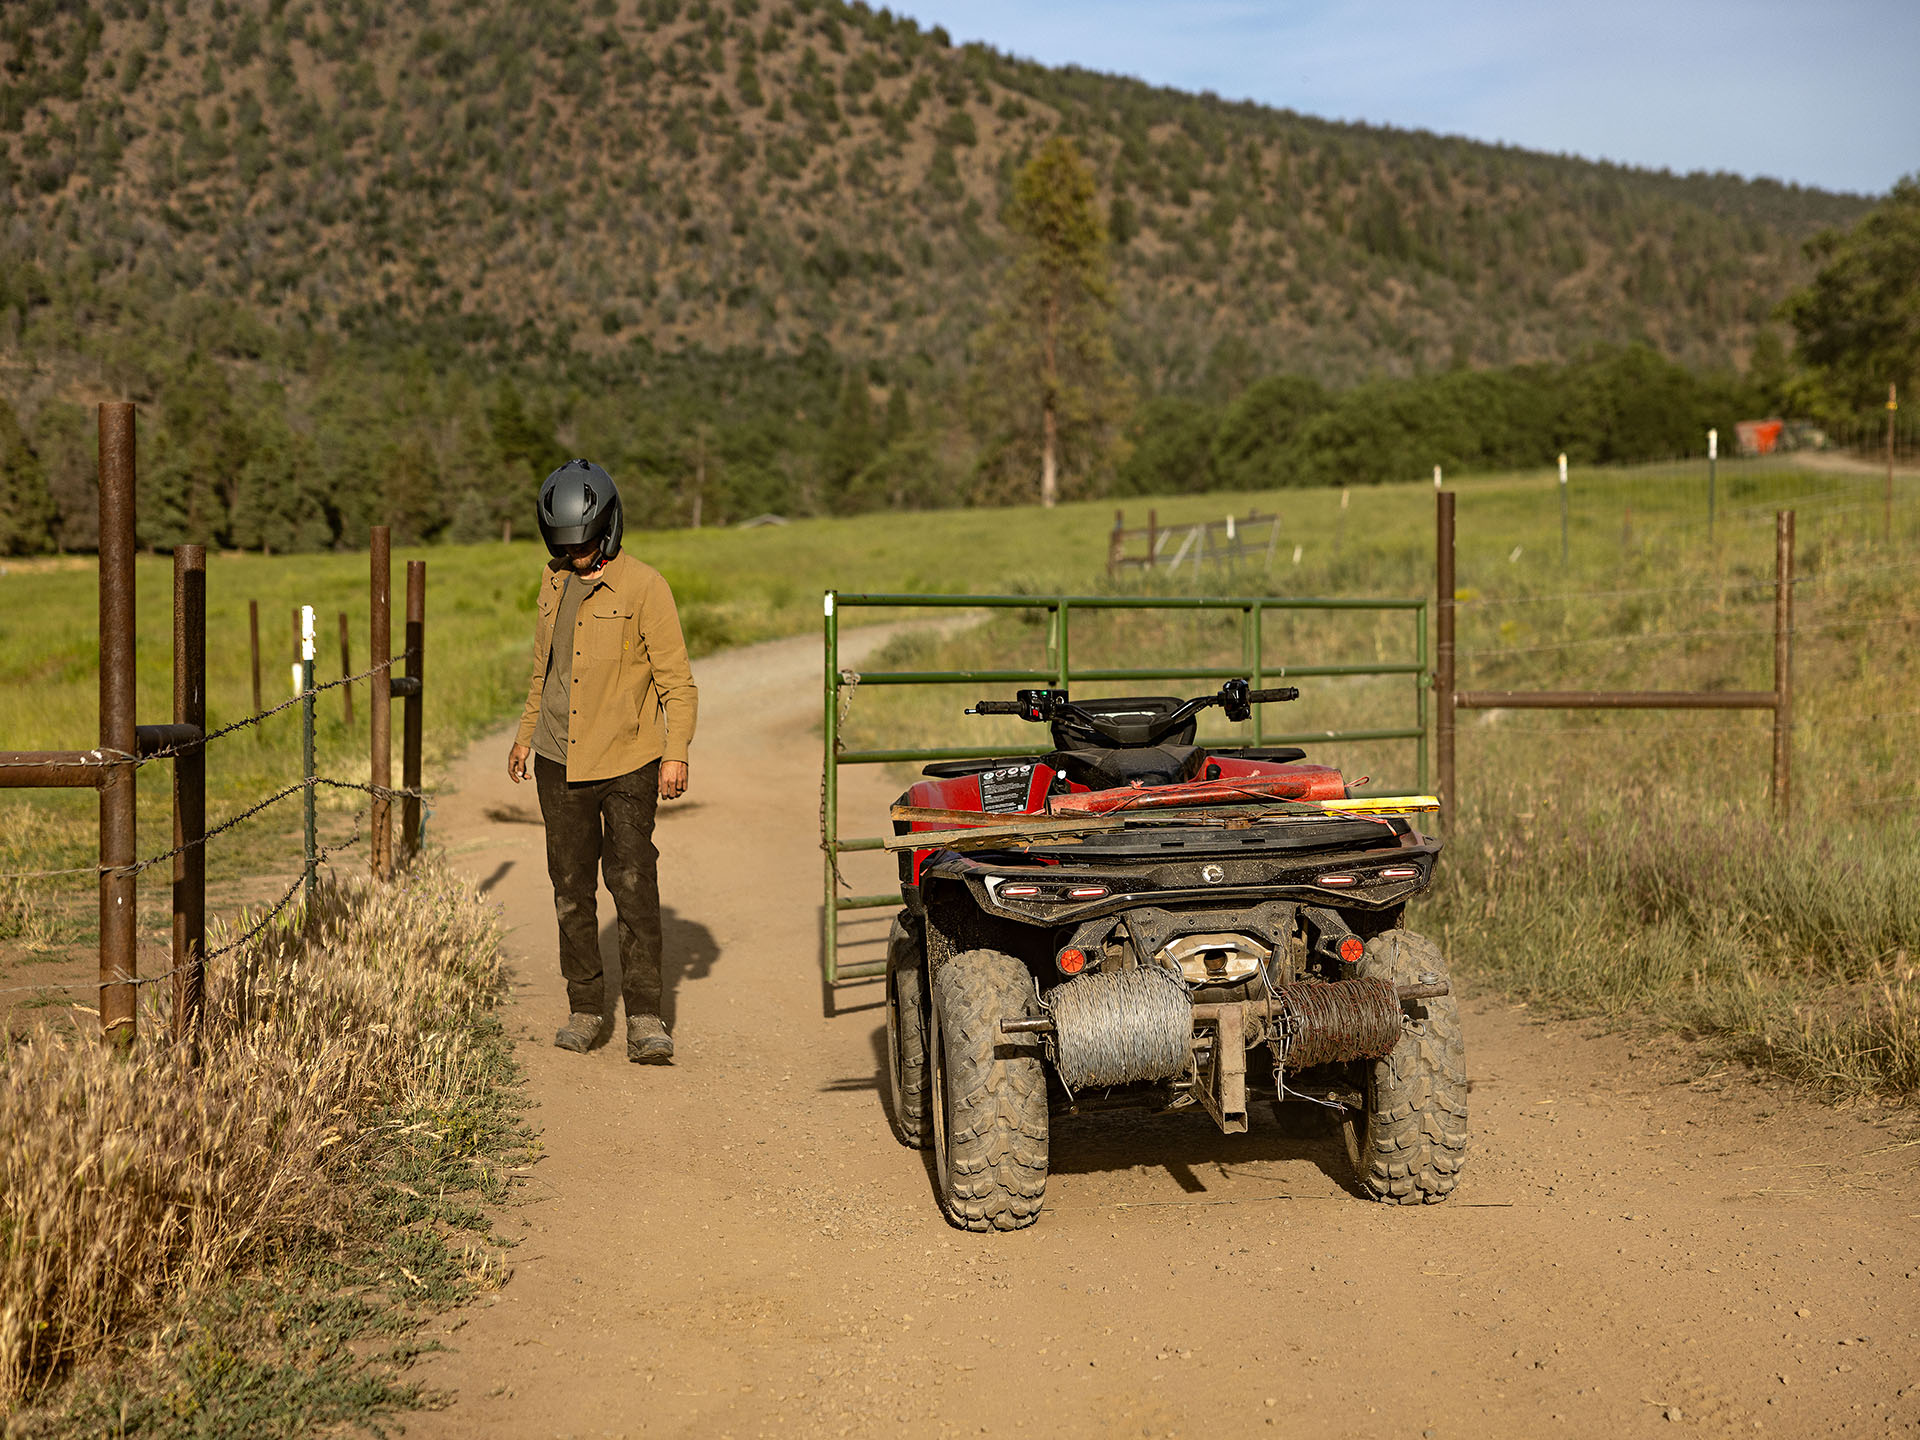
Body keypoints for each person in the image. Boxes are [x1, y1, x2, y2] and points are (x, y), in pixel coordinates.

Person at [507, 460, 698, 1063]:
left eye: (586, 543)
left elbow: (677, 681)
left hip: (628, 762)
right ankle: (586, 1008)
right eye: (566, 545)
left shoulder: (646, 586)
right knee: (570, 888)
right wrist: (524, 734)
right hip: (557, 759)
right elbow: (546, 669)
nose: (577, 555)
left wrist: (676, 752)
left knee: (634, 886)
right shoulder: (553, 580)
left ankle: (645, 1015)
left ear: (609, 528)